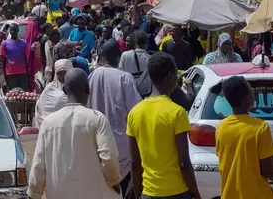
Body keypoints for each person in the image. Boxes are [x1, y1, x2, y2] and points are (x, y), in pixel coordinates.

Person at [27, 68, 121, 199]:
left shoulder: (48, 123)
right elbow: (109, 157)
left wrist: (34, 194)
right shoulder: (97, 119)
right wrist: (114, 182)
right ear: (87, 89)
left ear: (65, 91)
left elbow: (38, 165)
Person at [127, 52, 201, 199]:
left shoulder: (134, 113)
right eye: (175, 75)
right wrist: (196, 193)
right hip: (177, 192)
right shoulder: (177, 112)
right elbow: (184, 163)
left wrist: (137, 193)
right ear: (169, 76)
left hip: (148, 193)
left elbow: (135, 163)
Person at [215, 76, 273, 199]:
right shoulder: (260, 127)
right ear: (248, 98)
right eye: (251, 91)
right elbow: (267, 171)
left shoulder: (221, 127)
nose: (253, 93)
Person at [88, 39, 142, 197]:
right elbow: (136, 112)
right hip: (121, 148)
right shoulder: (125, 78)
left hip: (96, 145)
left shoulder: (92, 76)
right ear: (119, 56)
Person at [34, 59, 74, 129]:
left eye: (64, 72)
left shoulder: (77, 89)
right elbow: (41, 113)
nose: (62, 76)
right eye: (59, 73)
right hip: (50, 129)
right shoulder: (48, 90)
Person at [0, 23, 29, 91]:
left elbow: (25, 59)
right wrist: (3, 75)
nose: (13, 31)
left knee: (24, 95)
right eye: (11, 30)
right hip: (10, 74)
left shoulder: (24, 43)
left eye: (15, 30)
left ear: (18, 30)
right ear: (9, 31)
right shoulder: (4, 43)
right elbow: (2, 61)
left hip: (22, 73)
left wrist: (28, 73)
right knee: (13, 95)